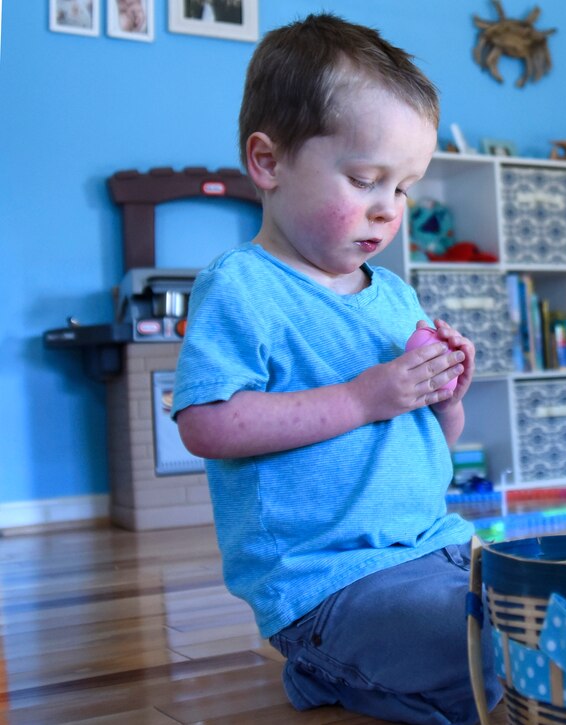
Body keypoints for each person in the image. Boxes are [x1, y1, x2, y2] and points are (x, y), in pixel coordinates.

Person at [172, 13, 500, 724]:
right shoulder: (242, 285)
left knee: (554, 605)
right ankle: (324, 667)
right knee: (486, 654)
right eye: (365, 179)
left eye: (404, 189)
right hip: (330, 583)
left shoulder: (394, 295)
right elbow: (204, 423)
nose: (389, 211)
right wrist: (365, 396)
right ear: (269, 162)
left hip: (440, 547)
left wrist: (442, 399)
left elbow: (428, 446)